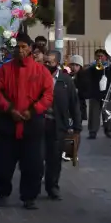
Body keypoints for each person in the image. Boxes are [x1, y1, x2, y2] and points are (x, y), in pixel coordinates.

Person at [0, 33, 54, 210]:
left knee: (33, 164)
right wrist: (10, 109)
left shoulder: (41, 71)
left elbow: (48, 95)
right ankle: (3, 192)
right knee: (5, 163)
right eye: (17, 47)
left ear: (30, 48)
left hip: (32, 124)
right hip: (8, 124)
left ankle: (29, 196)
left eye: (24, 47)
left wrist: (33, 110)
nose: (20, 50)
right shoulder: (4, 70)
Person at [43, 50, 81, 200]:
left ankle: (52, 186)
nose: (46, 64)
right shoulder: (37, 77)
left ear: (57, 63)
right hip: (39, 122)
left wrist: (77, 126)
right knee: (37, 157)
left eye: (50, 62)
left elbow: (74, 104)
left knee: (55, 158)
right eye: (45, 61)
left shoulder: (66, 80)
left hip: (58, 124)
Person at [85, 49, 111, 139]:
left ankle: (108, 130)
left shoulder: (110, 67)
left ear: (106, 57)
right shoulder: (92, 68)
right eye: (98, 56)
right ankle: (92, 131)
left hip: (107, 95)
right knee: (94, 113)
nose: (99, 58)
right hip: (95, 94)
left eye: (101, 56)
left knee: (107, 113)